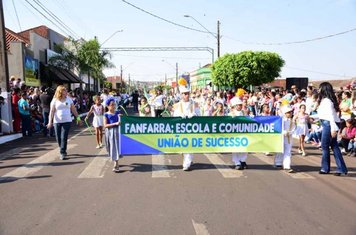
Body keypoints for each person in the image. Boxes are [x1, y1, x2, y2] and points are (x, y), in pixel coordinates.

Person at [317, 82, 348, 176]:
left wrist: (333, 129)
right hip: (328, 123)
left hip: (329, 124)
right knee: (334, 147)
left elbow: (330, 116)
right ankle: (341, 169)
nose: (319, 90)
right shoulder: (327, 100)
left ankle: (325, 168)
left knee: (325, 146)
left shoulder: (326, 101)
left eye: (320, 88)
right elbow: (324, 114)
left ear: (323, 89)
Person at [47, 85, 82, 160]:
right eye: (65, 90)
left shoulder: (69, 99)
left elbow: (74, 110)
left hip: (67, 121)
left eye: (66, 90)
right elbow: (52, 112)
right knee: (58, 138)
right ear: (60, 92)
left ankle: (62, 152)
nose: (66, 91)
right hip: (57, 122)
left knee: (64, 137)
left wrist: (78, 119)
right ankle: (62, 148)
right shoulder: (55, 100)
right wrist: (50, 122)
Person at [173, 86, 198, 171]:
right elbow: (174, 116)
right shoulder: (178, 104)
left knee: (190, 145)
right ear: (181, 95)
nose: (185, 95)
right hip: (182, 128)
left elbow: (198, 113)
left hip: (191, 128)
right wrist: (180, 115)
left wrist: (193, 114)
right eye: (184, 94)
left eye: (187, 94)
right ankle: (187, 161)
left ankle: (186, 164)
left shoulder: (194, 103)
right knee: (183, 146)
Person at [274, 104, 296, 173]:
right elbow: (278, 128)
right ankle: (278, 163)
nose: (290, 113)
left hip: (289, 138)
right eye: (288, 112)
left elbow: (294, 128)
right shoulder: (280, 120)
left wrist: (290, 132)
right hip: (281, 137)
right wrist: (283, 132)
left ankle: (287, 166)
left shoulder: (292, 120)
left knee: (288, 151)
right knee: (280, 150)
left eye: (291, 112)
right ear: (285, 113)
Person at [229, 97, 248, 170]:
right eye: (239, 105)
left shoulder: (243, 112)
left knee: (245, 147)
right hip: (235, 133)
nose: (240, 106)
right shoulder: (231, 113)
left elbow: (247, 119)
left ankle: (242, 160)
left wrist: (251, 117)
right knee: (235, 148)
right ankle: (237, 162)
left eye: (241, 105)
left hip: (243, 132)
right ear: (235, 106)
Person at [103, 97, 121, 172]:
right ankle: (115, 159)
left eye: (114, 104)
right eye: (111, 105)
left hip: (117, 132)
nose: (113, 106)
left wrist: (121, 118)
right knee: (110, 148)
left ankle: (116, 164)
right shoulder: (106, 114)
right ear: (107, 106)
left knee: (115, 147)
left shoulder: (118, 113)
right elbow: (105, 125)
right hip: (109, 132)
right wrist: (115, 123)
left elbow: (123, 121)